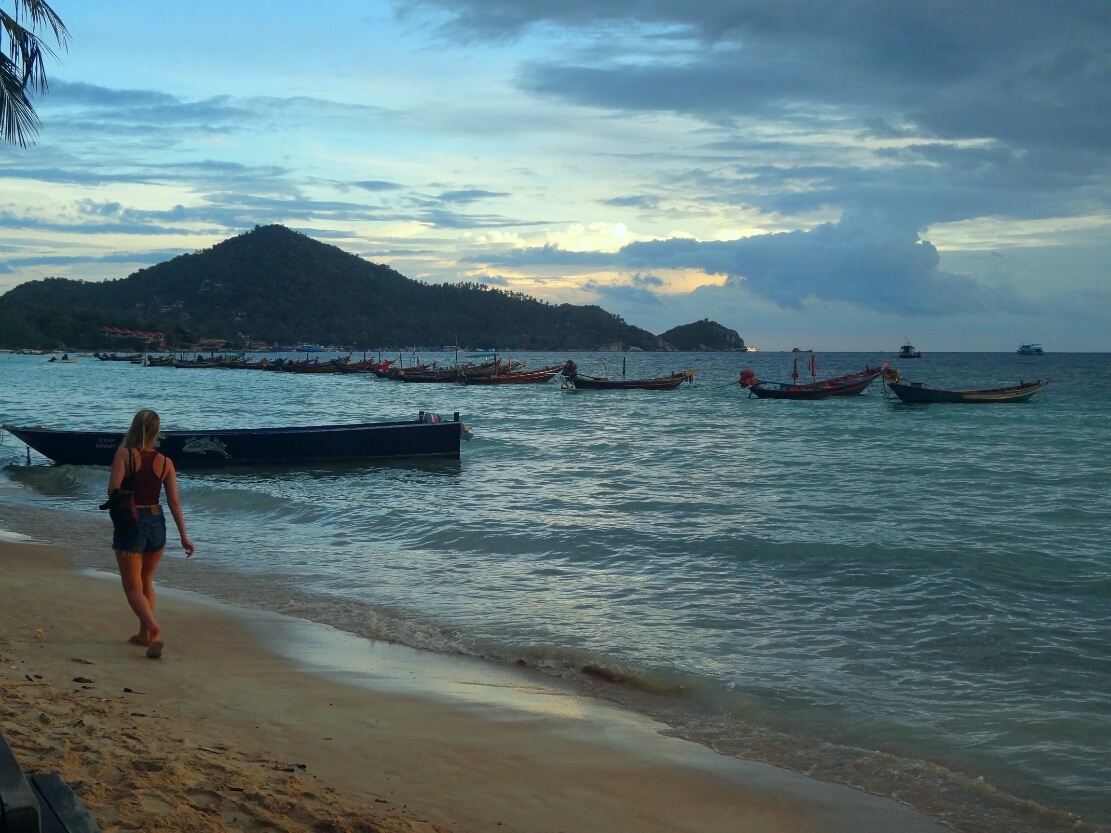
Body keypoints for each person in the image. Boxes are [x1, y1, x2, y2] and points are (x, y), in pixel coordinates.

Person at [107, 409, 195, 658]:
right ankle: (144, 636)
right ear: (156, 431)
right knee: (146, 581)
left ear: (134, 427)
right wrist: (184, 537)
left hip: (132, 524)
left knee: (132, 587)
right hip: (158, 524)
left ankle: (152, 626)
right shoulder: (166, 461)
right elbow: (174, 503)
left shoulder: (125, 455)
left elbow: (112, 490)